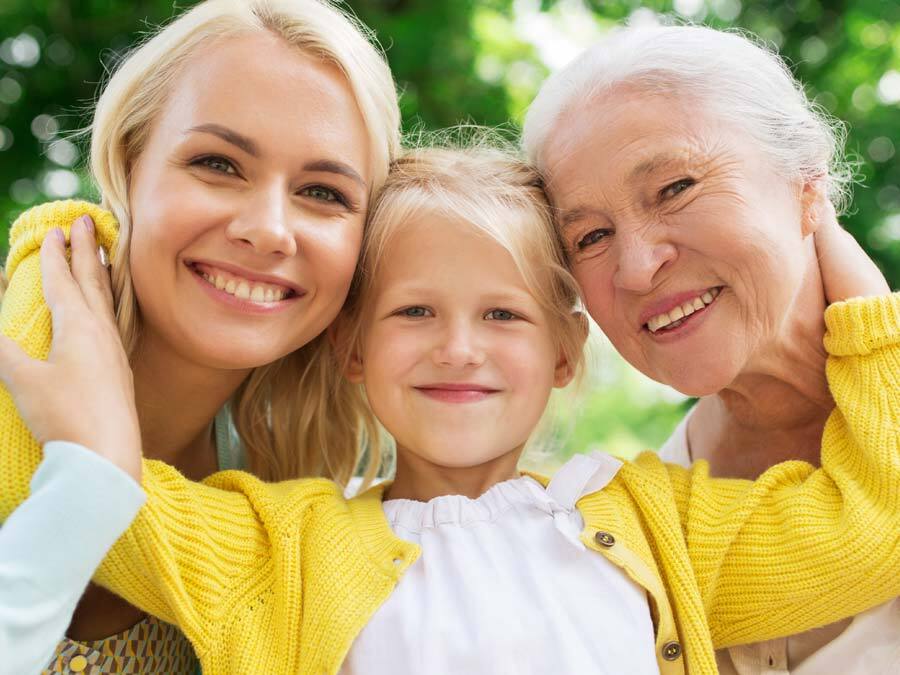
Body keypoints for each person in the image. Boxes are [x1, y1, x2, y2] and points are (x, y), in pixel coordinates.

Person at [0, 141, 897, 675]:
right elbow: (50, 480)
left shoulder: (665, 524)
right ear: (353, 349)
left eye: (502, 314)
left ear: (562, 353)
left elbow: (878, 528)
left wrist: (843, 272)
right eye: (414, 311)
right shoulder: (276, 553)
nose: (457, 347)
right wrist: (65, 243)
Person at [0, 0, 399, 671]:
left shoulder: (278, 504)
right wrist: (89, 479)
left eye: (324, 192)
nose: (268, 228)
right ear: (129, 165)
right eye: (218, 163)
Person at [522, 24, 899, 675]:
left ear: (807, 184)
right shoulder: (633, 522)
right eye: (589, 237)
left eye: (676, 188)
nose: (637, 268)